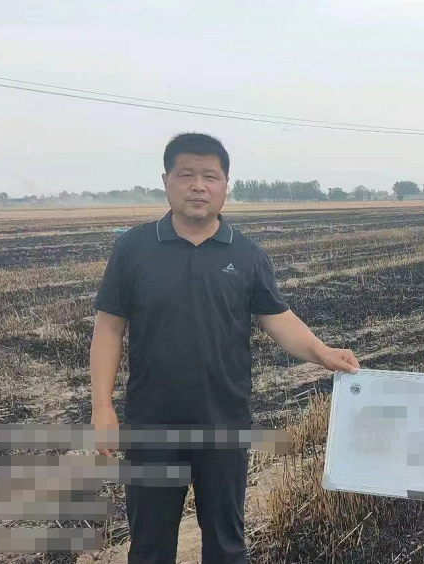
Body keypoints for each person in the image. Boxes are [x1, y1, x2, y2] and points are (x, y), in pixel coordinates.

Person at [88, 132, 360, 564]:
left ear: (225, 186)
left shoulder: (246, 253)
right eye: (187, 175)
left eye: (210, 176)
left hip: (225, 424)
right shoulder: (133, 248)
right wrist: (101, 407)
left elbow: (277, 318)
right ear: (166, 181)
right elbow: (108, 328)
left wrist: (321, 352)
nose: (198, 186)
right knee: (150, 547)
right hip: (151, 425)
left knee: (226, 545)